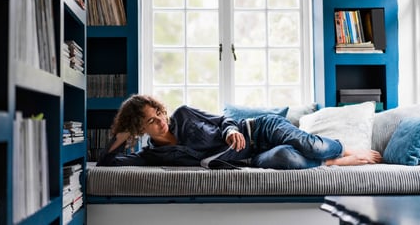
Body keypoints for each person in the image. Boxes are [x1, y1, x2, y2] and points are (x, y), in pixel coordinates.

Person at [97, 94, 382, 169]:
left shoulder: (183, 113)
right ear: (140, 128)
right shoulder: (152, 155)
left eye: (159, 112)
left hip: (260, 129)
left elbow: (222, 121)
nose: (161, 121)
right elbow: (106, 163)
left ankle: (343, 149)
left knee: (312, 146)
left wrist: (231, 130)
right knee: (288, 159)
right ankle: (331, 162)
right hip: (250, 158)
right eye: (151, 121)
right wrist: (122, 134)